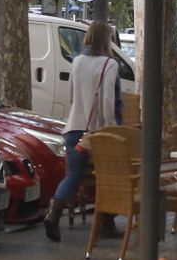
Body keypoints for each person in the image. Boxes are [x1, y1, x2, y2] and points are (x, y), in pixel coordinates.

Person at [42, 20, 121, 242]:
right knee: (110, 174)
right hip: (98, 131)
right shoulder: (109, 64)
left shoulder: (76, 62)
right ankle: (107, 222)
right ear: (107, 40)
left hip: (74, 128)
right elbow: (107, 100)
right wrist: (110, 128)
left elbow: (71, 97)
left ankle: (54, 212)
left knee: (74, 175)